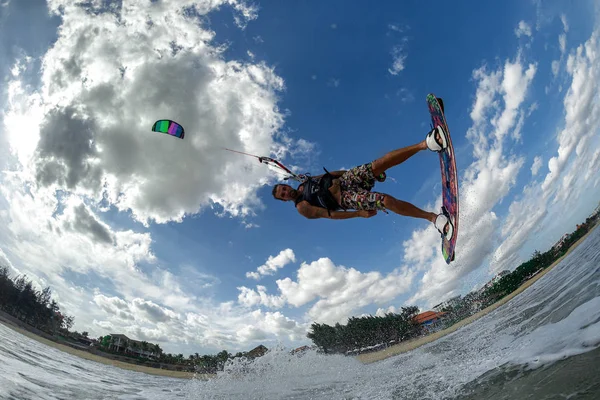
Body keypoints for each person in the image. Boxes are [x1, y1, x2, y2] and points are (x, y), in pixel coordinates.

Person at [271, 126, 454, 240]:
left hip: (345, 179)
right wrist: (358, 213)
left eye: (284, 188)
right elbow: (330, 215)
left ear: (287, 185)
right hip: (346, 198)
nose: (286, 192)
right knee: (386, 201)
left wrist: (362, 175)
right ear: (284, 200)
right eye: (283, 194)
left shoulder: (304, 183)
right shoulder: (302, 208)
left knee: (379, 164)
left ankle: (426, 144)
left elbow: (331, 174)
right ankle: (433, 218)